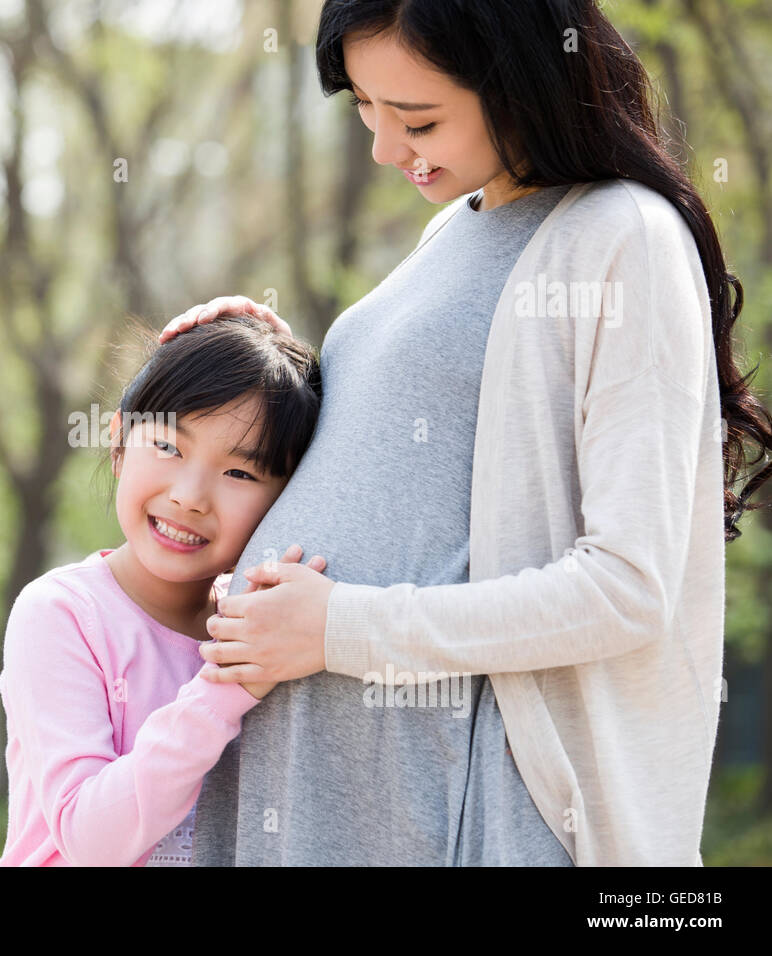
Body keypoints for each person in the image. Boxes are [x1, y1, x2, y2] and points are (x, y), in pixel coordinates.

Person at [167, 0, 772, 866]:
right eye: (365, 108)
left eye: (418, 118)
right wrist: (263, 361)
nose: (384, 147)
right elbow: (417, 452)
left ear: (523, 79)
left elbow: (629, 590)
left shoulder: (622, 238)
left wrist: (341, 628)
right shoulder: (454, 226)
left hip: (473, 806)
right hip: (325, 796)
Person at [0, 315, 326, 866]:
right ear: (119, 442)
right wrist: (227, 683)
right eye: (169, 446)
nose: (190, 496)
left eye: (240, 474)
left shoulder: (257, 626)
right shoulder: (62, 614)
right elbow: (90, 839)